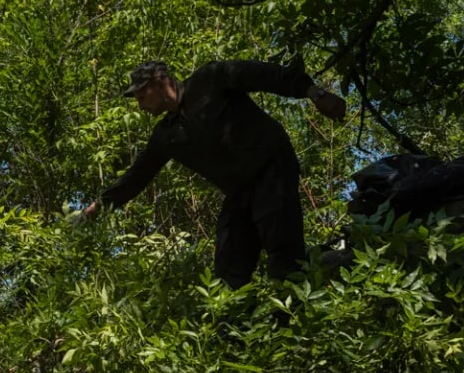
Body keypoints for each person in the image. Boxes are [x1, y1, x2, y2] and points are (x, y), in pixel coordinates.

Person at [81, 60, 345, 287]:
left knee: (284, 259)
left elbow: (264, 74)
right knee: (227, 272)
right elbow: (137, 177)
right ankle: (237, 336)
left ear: (159, 83)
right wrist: (98, 207)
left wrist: (315, 93)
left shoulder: (209, 79)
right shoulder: (166, 135)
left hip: (271, 167)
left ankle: (317, 296)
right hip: (240, 191)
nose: (140, 106)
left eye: (141, 97)